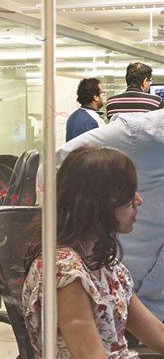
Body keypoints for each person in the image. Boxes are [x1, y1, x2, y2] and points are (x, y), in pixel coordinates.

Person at [23, 146, 164, 357]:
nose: (138, 201)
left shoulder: (107, 266)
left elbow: (157, 333)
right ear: (99, 201)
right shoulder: (65, 272)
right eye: (128, 194)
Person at [54, 109, 164, 320]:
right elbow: (57, 167)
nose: (139, 201)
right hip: (105, 300)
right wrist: (91, 229)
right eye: (130, 194)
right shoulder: (143, 136)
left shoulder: (116, 274)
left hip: (130, 298)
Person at [65, 77, 106, 141]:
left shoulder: (72, 117)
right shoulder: (95, 121)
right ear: (96, 97)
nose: (104, 95)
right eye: (102, 92)